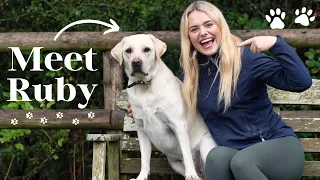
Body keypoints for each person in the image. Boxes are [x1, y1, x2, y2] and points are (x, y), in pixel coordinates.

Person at [129, 1, 312, 179]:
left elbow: (301, 82)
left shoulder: (247, 59)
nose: (203, 33)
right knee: (216, 157)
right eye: (194, 29)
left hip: (278, 149)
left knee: (242, 162)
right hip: (235, 155)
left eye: (209, 24)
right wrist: (144, 109)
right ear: (189, 37)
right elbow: (171, 103)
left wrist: (276, 43)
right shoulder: (192, 75)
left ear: (220, 26)